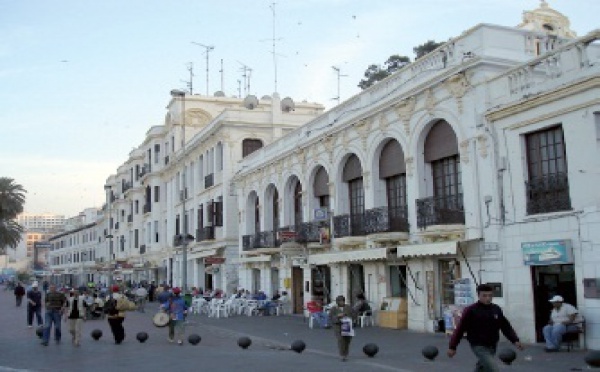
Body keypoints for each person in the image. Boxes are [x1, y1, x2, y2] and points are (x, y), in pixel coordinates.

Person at [448, 284, 524, 372]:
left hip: (492, 344)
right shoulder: (471, 310)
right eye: (484, 296)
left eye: (490, 295)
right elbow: (460, 329)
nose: (488, 298)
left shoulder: (496, 309)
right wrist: (452, 347)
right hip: (478, 345)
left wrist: (515, 340)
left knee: (482, 367)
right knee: (493, 368)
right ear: (478, 295)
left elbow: (505, 326)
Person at [329, 295, 354, 361]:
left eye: (342, 301)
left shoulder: (348, 307)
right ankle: (342, 355)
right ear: (337, 302)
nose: (341, 302)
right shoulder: (333, 309)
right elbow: (331, 317)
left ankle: (346, 353)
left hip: (347, 325)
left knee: (347, 340)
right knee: (341, 340)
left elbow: (353, 315)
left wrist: (348, 317)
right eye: (340, 301)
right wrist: (338, 316)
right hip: (338, 326)